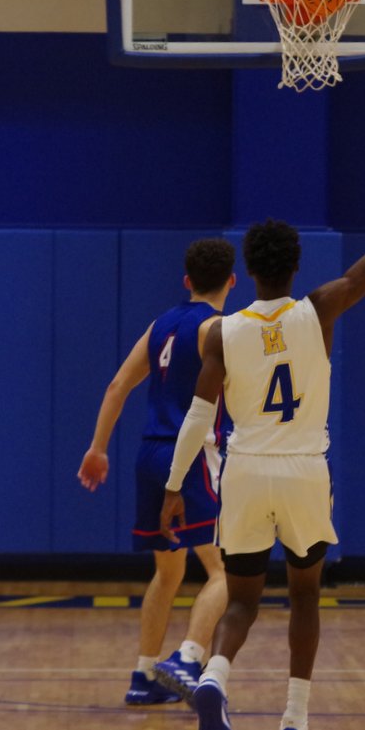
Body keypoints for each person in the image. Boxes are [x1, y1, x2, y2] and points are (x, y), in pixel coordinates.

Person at [160, 120, 365, 730]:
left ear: (248, 270)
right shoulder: (319, 309)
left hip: (244, 472)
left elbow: (199, 417)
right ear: (295, 266)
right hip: (303, 473)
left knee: (241, 600)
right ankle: (294, 716)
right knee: (306, 595)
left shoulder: (221, 332)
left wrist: (174, 486)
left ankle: (214, 677)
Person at [77, 237, 236, 705]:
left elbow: (117, 386)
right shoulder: (219, 329)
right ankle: (186, 659)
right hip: (191, 456)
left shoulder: (160, 324)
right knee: (226, 570)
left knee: (168, 572)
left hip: (149, 454)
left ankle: (144, 675)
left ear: (187, 281)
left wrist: (97, 448)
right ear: (231, 281)